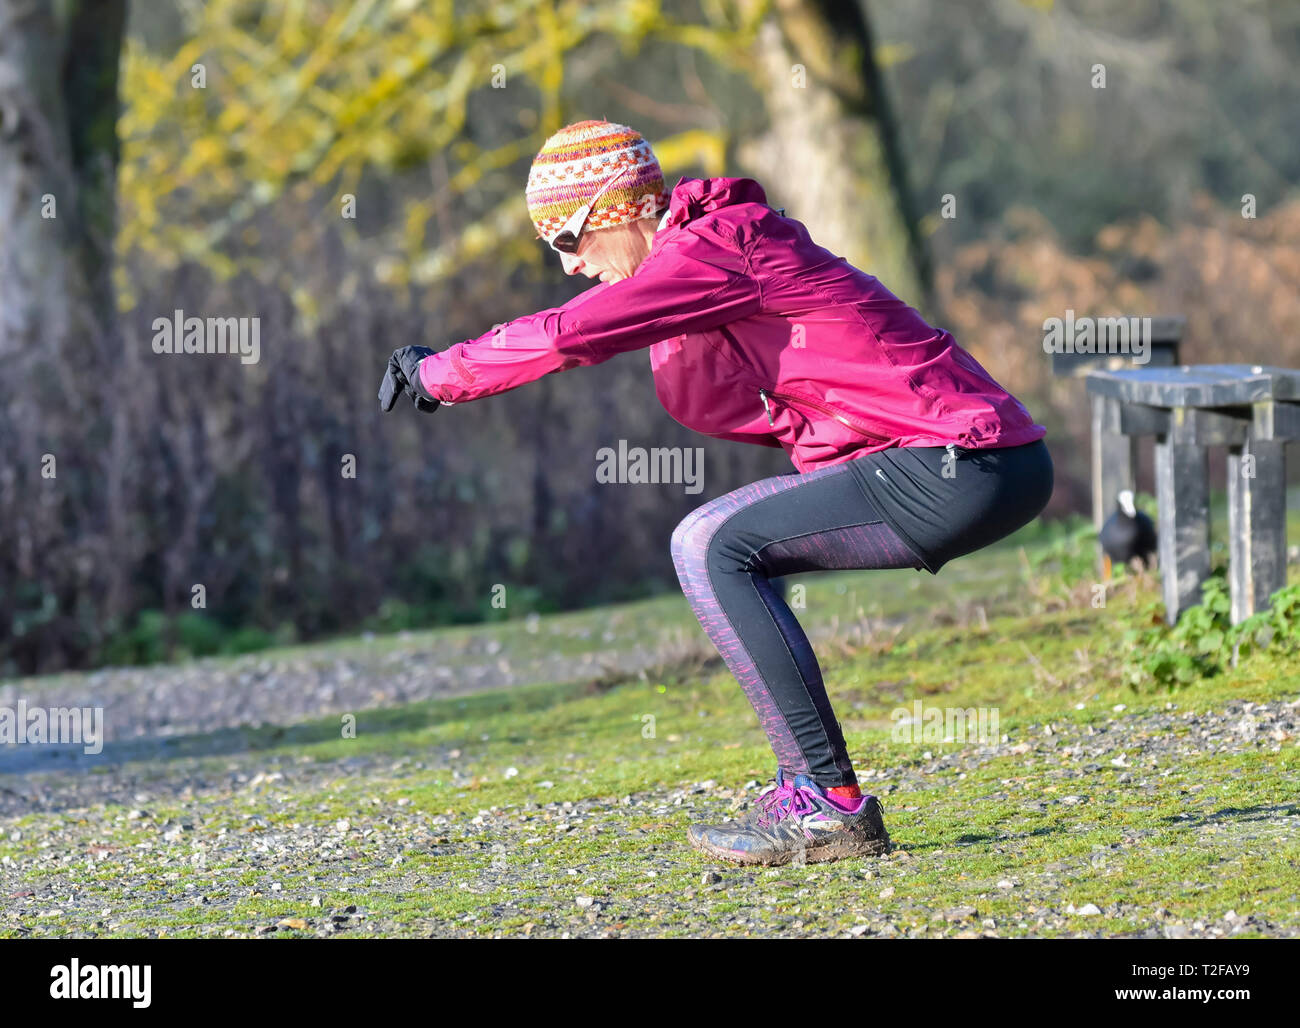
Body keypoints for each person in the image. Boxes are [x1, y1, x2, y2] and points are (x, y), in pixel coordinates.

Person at [379, 120, 1053, 866]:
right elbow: (713, 398)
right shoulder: (706, 261)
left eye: (569, 240)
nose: (569, 266)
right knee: (723, 546)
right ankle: (809, 792)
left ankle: (826, 805)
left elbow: (573, 334)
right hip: (973, 462)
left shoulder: (717, 247)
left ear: (618, 208)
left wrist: (444, 373)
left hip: (962, 461)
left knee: (710, 544)